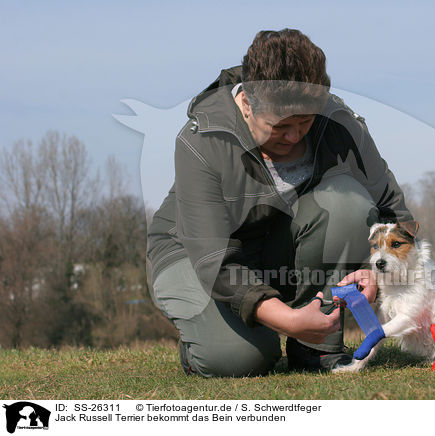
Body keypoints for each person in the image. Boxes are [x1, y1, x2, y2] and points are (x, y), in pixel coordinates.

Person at [147, 29, 413, 377]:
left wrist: (382, 270)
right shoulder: (202, 141)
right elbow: (213, 260)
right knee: (238, 359)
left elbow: (391, 210)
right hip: (196, 255)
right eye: (280, 126)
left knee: (349, 203)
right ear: (247, 104)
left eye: (305, 122)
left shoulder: (339, 124)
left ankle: (315, 348)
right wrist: (287, 320)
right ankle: (206, 342)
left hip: (277, 245)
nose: (293, 136)